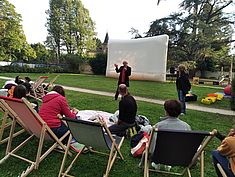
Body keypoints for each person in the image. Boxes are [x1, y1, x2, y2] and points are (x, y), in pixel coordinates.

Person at [139, 99, 191, 169]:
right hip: (179, 157)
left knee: (149, 147)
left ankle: (152, 165)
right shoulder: (186, 127)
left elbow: (152, 148)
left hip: (159, 156)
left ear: (166, 111)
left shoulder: (158, 126)